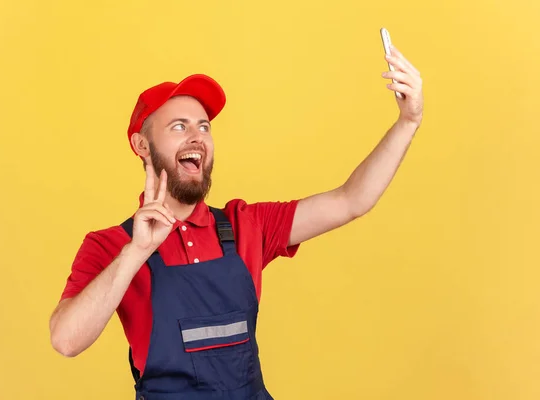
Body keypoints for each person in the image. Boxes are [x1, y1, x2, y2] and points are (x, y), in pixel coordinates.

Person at [49, 45, 423, 399]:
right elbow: (66, 340)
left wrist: (408, 121)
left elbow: (351, 200)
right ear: (142, 146)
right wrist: (137, 252)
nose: (197, 136)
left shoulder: (246, 225)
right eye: (179, 127)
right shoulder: (111, 246)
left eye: (204, 126)